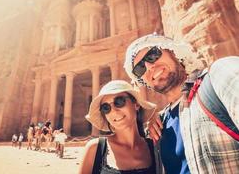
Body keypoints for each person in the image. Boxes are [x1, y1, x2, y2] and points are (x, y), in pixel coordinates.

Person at [124, 33, 239, 173]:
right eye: (140, 68)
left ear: (173, 51)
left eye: (153, 55)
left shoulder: (219, 75)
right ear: (143, 81)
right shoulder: (160, 125)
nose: (149, 67)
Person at [79, 80, 162, 174]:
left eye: (119, 101)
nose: (113, 111)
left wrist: (157, 116)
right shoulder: (95, 148)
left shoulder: (155, 148)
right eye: (106, 108)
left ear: (136, 104)